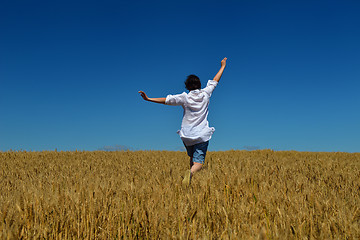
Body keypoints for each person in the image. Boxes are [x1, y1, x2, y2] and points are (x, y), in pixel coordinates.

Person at [138, 57, 227, 186]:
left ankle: (189, 180)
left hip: (186, 136)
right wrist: (222, 66)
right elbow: (215, 81)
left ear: (187, 86)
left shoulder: (184, 97)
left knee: (192, 158)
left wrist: (148, 98)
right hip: (201, 135)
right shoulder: (206, 94)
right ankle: (190, 174)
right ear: (200, 85)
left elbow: (166, 100)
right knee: (199, 163)